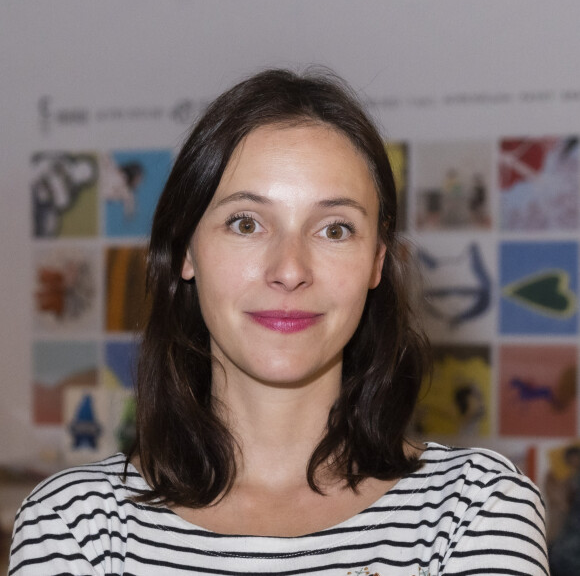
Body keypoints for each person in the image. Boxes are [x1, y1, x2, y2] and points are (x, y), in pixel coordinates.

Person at [10, 68, 548, 575]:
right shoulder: (76, 527)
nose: (290, 270)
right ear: (186, 250)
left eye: (334, 229)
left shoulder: (474, 510)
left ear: (377, 262)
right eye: (246, 223)